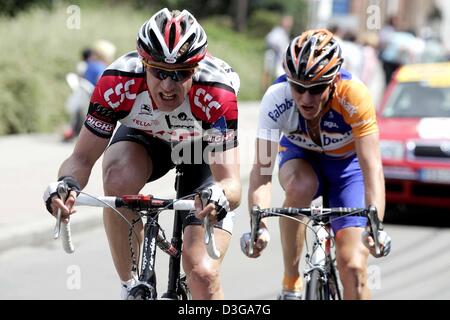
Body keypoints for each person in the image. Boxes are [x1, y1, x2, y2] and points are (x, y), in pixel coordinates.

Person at [44, 8, 241, 300]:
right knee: (117, 177)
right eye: (159, 71)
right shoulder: (118, 81)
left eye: (181, 74)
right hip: (145, 138)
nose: (168, 85)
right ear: (143, 63)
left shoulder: (217, 92)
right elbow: (81, 159)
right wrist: (66, 184)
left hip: (199, 149)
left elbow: (231, 183)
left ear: (196, 69)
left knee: (202, 273)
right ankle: (131, 287)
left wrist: (220, 197)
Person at [240, 29, 391, 300]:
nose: (306, 99)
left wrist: (375, 226)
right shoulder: (277, 99)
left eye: (317, 89)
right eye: (298, 88)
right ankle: (291, 280)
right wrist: (257, 224)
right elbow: (262, 173)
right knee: (300, 186)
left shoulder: (354, 96)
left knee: (354, 268)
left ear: (333, 82)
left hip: (347, 170)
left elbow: (373, 170)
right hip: (300, 160)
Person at [261, 15, 293, 92]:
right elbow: (270, 40)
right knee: (267, 73)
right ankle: (265, 90)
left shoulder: (285, 33)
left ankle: (274, 90)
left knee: (277, 74)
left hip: (280, 57)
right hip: (272, 54)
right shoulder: (277, 31)